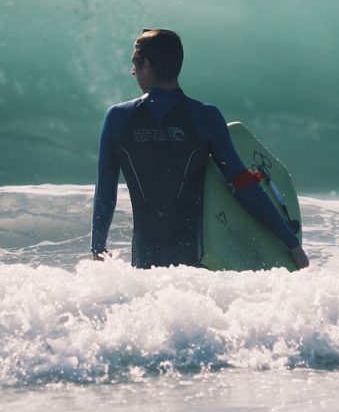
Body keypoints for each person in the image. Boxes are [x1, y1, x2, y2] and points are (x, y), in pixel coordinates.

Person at [90, 29, 310, 270]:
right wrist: (291, 243)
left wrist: (98, 248)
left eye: (135, 64)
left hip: (145, 266)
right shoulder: (205, 117)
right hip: (198, 264)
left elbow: (105, 192)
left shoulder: (118, 118)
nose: (134, 73)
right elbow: (243, 184)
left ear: (147, 66)